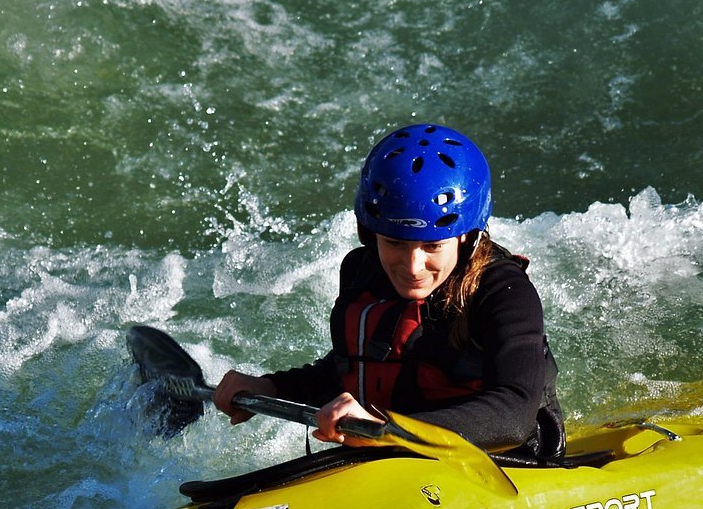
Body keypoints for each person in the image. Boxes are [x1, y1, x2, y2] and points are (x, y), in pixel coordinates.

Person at [212, 122, 565, 460]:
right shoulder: (362, 272)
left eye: (433, 246)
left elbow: (513, 415)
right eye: (395, 242)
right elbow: (352, 371)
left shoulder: (503, 291)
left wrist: (388, 429)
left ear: (466, 237)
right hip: (393, 456)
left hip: (503, 461)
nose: (412, 266)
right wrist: (270, 388)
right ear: (370, 234)